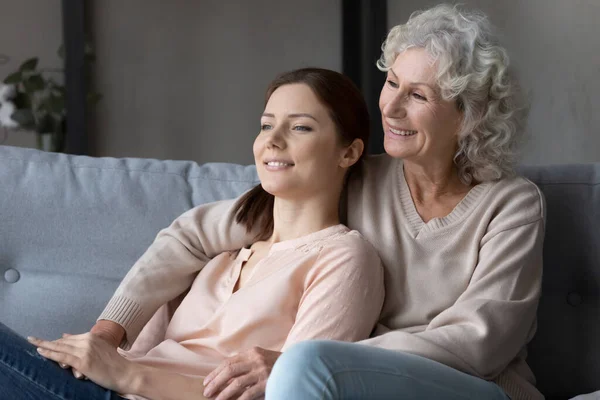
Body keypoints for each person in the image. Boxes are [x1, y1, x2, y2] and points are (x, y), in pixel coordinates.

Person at [75, 4, 543, 399]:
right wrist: (110, 331)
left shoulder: (511, 206)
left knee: (303, 363)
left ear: (468, 116)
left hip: (468, 387)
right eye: (392, 83)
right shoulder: (358, 175)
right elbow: (196, 233)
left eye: (417, 95)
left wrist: (322, 360)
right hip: (353, 382)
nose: (391, 107)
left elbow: (480, 340)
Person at [0, 68, 385, 400]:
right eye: (267, 124)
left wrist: (123, 374)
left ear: (348, 153)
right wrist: (99, 360)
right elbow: (140, 353)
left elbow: (298, 389)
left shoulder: (344, 258)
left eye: (300, 127)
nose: (273, 139)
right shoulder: (221, 254)